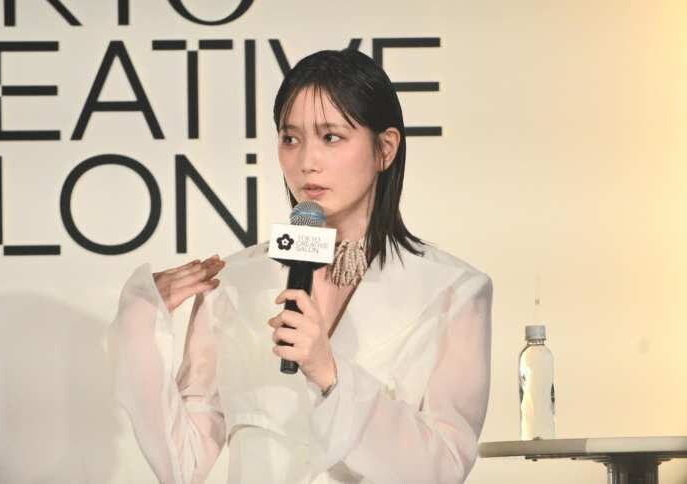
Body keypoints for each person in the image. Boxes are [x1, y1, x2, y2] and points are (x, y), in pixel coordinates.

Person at [110, 49, 494, 484]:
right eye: (290, 139)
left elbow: (442, 469)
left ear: (385, 148)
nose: (307, 161)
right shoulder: (236, 283)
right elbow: (182, 466)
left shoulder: (454, 290)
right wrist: (140, 320)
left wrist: (332, 375)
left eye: (331, 137)